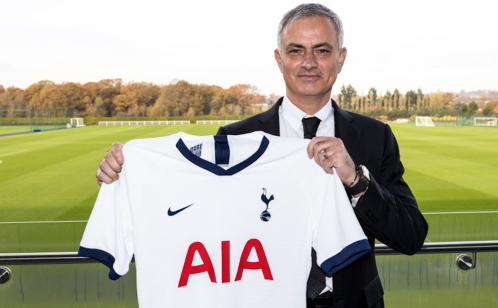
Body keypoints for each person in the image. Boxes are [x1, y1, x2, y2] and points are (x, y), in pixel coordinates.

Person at [96, 3, 428, 308]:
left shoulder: (374, 136)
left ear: (340, 58)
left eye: (322, 51)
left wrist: (356, 179)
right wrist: (124, 175)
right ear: (279, 58)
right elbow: (198, 220)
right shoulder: (234, 139)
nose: (308, 62)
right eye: (296, 51)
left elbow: (411, 235)